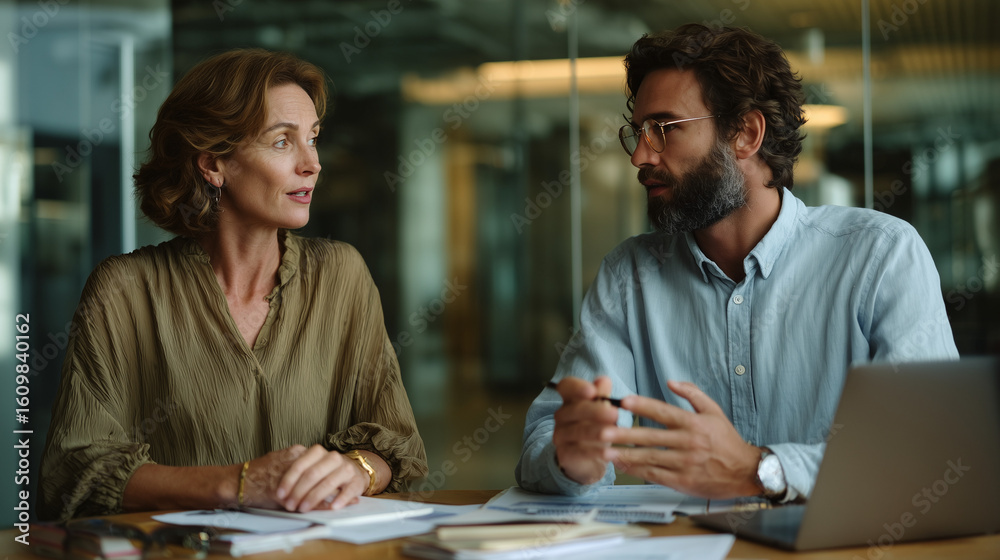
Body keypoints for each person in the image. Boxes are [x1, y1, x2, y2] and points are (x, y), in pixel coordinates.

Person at [515, 24, 958, 503]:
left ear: (746, 133)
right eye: (638, 133)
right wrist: (572, 459)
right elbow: (541, 445)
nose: (641, 155)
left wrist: (759, 470)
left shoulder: (881, 255)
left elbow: (932, 452)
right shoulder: (629, 276)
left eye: (663, 129)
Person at [39, 48, 427, 521]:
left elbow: (395, 442)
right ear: (213, 164)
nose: (312, 164)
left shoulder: (342, 276)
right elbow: (75, 469)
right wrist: (240, 484)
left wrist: (358, 470)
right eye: (283, 142)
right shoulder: (124, 291)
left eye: (313, 138)